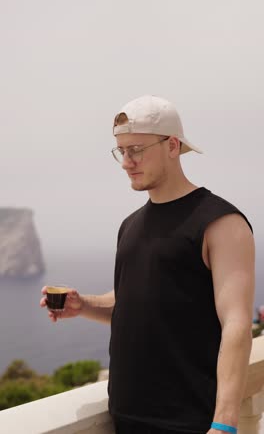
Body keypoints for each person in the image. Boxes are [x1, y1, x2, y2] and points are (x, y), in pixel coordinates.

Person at [40, 95, 255, 434]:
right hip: (126, 419)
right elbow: (136, 304)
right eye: (121, 151)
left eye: (136, 150)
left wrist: (224, 424)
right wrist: (83, 305)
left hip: (190, 423)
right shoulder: (130, 225)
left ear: (172, 145)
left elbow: (237, 325)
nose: (126, 162)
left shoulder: (221, 222)